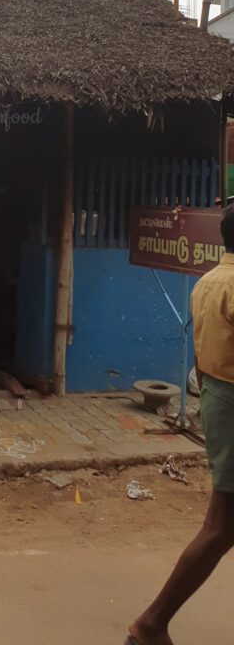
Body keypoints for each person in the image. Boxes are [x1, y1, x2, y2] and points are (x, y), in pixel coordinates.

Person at [127, 204, 234, 645]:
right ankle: (150, 624)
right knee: (221, 527)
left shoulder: (208, 282)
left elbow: (202, 361)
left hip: (217, 400)